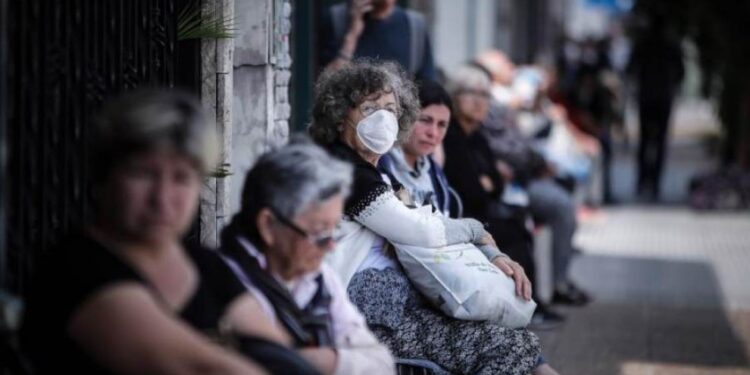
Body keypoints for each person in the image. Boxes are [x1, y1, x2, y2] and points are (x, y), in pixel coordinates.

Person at [20, 89, 317, 375]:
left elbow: (282, 356)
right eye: (143, 173)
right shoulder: (77, 268)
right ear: (104, 177)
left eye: (182, 178)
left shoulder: (205, 265)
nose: (161, 198)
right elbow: (201, 368)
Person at [309, 59, 557, 375]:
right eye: (370, 110)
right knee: (507, 346)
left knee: (515, 343)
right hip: (369, 319)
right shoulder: (347, 171)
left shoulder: (376, 173)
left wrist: (490, 250)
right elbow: (421, 230)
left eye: (390, 109)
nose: (384, 119)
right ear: (342, 114)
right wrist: (475, 229)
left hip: (403, 308)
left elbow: (429, 218)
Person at [219, 141, 396, 375]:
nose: (331, 246)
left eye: (334, 231)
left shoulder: (319, 278)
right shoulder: (223, 284)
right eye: (320, 233)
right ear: (268, 226)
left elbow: (382, 364)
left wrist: (324, 361)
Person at [472, 54, 593, 306]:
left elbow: (517, 143)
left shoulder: (501, 101)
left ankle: (559, 279)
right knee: (558, 207)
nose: (512, 66)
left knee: (565, 191)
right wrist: (535, 164)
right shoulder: (494, 104)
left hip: (521, 177)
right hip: (514, 183)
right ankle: (556, 285)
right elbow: (505, 150)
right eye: (505, 64)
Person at [628, 13, 684, 201]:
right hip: (663, 97)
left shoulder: (643, 43)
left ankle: (643, 181)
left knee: (645, 141)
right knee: (659, 142)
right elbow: (680, 72)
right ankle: (654, 183)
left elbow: (631, 69)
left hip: (647, 97)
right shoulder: (671, 45)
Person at [319, 0, 436, 81]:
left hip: (399, 113)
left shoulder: (415, 26)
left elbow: (428, 89)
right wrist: (352, 35)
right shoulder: (337, 19)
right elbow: (326, 84)